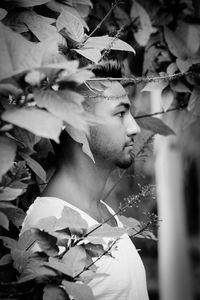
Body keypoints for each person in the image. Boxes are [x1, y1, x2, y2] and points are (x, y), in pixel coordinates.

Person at [21, 62, 149, 300]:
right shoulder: (51, 231)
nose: (135, 127)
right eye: (120, 114)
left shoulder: (103, 212)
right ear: (76, 122)